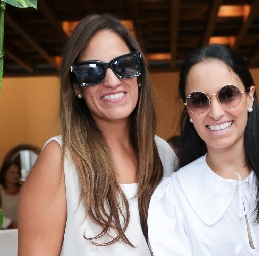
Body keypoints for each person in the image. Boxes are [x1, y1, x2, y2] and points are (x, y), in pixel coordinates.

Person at [18, 13, 177, 255]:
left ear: (139, 73)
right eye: (92, 71)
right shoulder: (59, 160)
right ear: (76, 87)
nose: (112, 80)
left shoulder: (163, 155)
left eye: (124, 65)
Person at [148, 44, 259, 255]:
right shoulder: (174, 196)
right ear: (189, 111)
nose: (216, 112)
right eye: (199, 100)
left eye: (228, 95)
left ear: (250, 96)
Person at [0, 161, 21, 229]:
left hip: (22, 231)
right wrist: (10, 223)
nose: (15, 175)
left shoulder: (23, 190)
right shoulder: (1, 191)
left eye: (17, 172)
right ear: (4, 174)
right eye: (12, 173)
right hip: (4, 232)